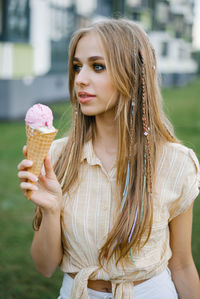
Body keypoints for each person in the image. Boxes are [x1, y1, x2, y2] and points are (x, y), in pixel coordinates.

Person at [17, 18, 200, 299]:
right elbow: (44, 267)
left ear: (133, 75)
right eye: (77, 66)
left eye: (97, 66)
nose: (80, 78)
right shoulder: (57, 157)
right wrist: (52, 210)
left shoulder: (176, 163)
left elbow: (183, 264)